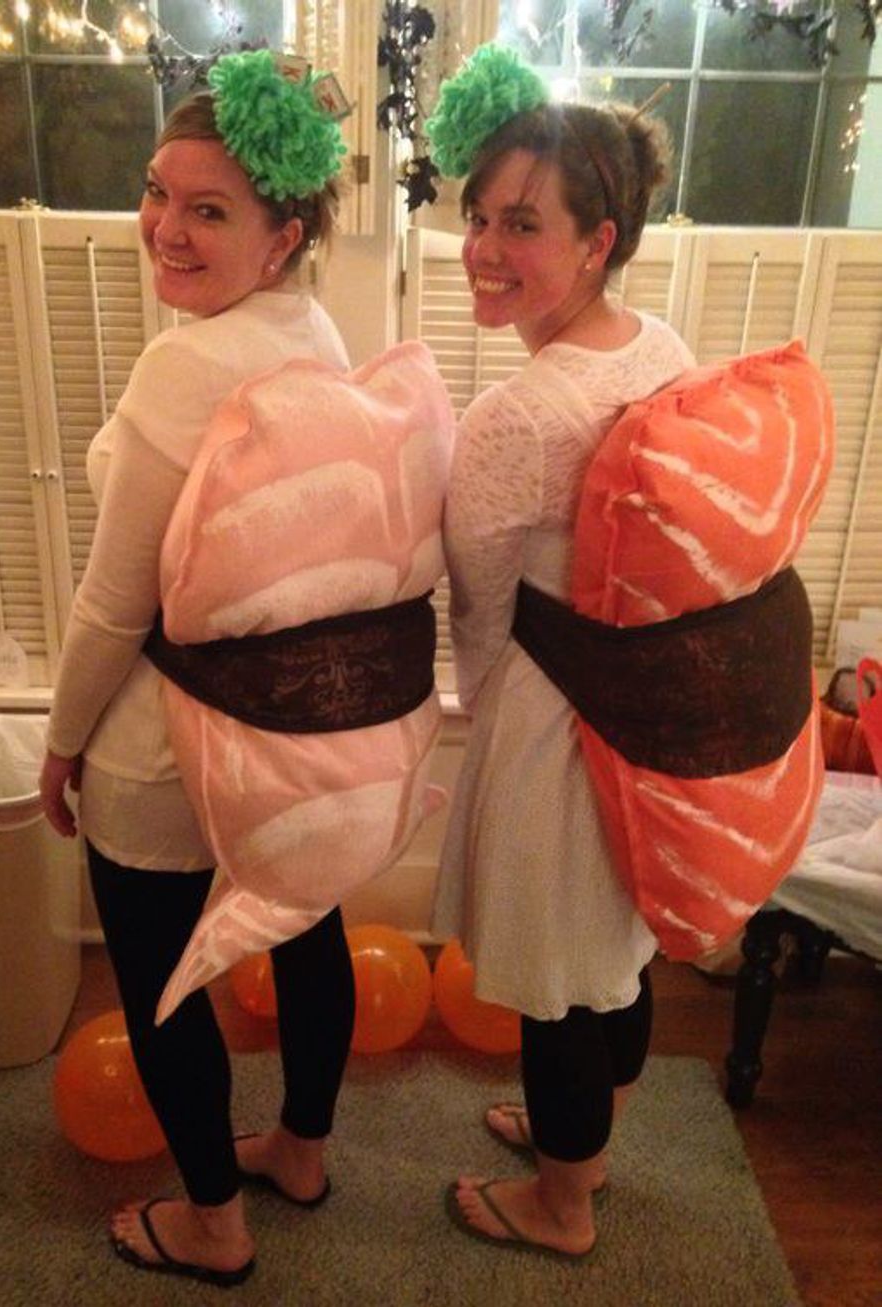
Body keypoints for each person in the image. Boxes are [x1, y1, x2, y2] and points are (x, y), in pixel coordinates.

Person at [39, 50, 450, 1290]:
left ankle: (213, 1222)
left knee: (161, 984)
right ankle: (301, 1153)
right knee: (307, 929)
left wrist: (59, 740)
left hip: (159, 739)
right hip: (283, 736)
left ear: (282, 237)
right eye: (156, 191)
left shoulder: (182, 368)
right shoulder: (312, 330)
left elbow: (115, 603)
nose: (164, 227)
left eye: (207, 209)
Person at [427, 47, 696, 1257]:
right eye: (478, 215)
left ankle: (560, 1201)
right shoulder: (658, 345)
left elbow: (479, 611)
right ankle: (588, 1137)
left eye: (521, 224)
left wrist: (485, 718)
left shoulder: (516, 415)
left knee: (551, 977)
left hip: (552, 711)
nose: (483, 247)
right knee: (615, 952)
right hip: (646, 703)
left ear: (597, 241)